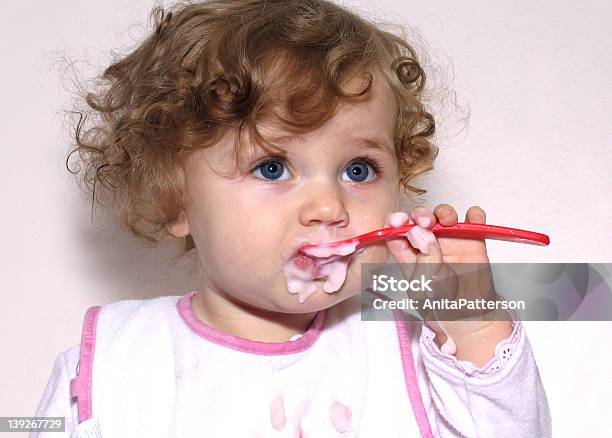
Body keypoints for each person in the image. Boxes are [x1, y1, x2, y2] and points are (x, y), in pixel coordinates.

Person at [33, 1, 551, 436]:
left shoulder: (413, 348)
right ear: (176, 200)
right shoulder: (112, 362)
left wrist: (473, 323)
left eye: (357, 169)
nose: (329, 208)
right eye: (272, 166)